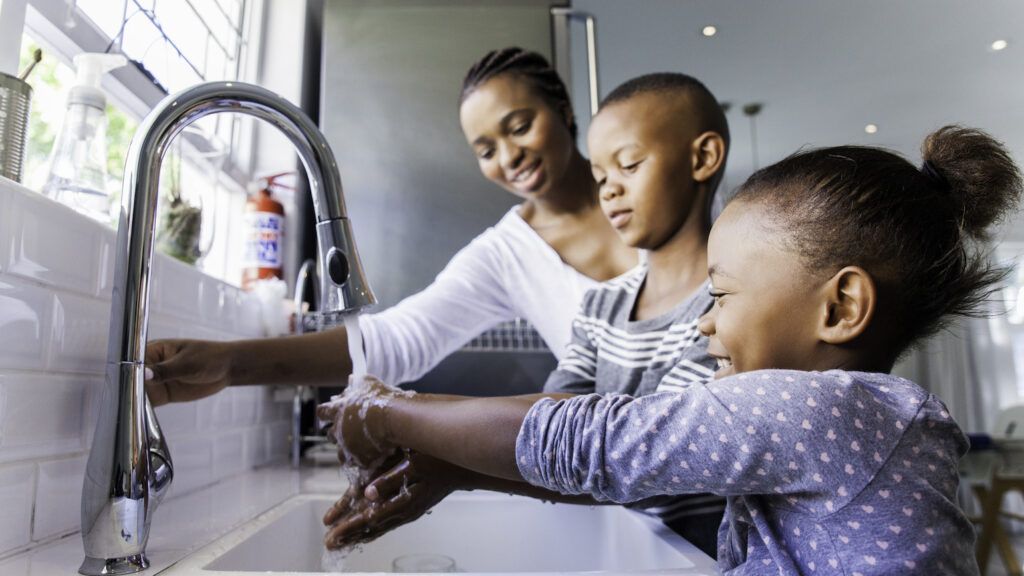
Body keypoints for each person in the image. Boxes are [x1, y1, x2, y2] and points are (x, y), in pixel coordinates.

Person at [320, 125, 1022, 574]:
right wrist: (457, 471)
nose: (704, 324)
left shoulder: (823, 409)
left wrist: (387, 409)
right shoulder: (843, 419)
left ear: (840, 307)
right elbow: (647, 469)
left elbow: (599, 442)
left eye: (722, 296)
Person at [321, 72, 731, 557]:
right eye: (600, 176)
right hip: (638, 551)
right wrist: (452, 467)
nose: (609, 191)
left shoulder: (729, 306)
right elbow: (559, 421)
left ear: (702, 158)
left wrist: (394, 414)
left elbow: (639, 452)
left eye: (630, 165)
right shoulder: (601, 307)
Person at [143, 47, 636, 404]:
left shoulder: (646, 183)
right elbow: (398, 340)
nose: (509, 157)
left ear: (564, 112)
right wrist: (231, 363)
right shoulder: (506, 255)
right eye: (486, 150)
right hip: (645, 495)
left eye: (520, 126)